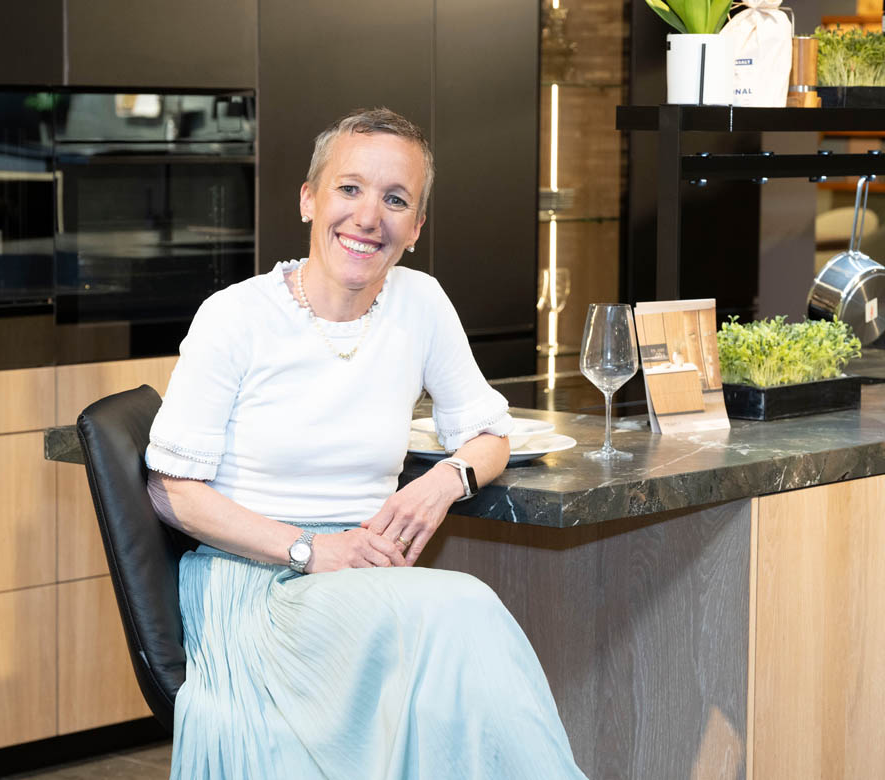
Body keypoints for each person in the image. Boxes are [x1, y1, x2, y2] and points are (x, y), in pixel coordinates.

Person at [145, 107, 587, 779]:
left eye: (396, 199)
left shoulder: (421, 302)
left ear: (416, 227)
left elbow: (489, 433)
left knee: (452, 649)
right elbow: (170, 490)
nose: (369, 216)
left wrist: (444, 481)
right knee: (463, 610)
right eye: (349, 188)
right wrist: (310, 549)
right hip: (257, 586)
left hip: (363, 583)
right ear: (309, 199)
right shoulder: (234, 316)